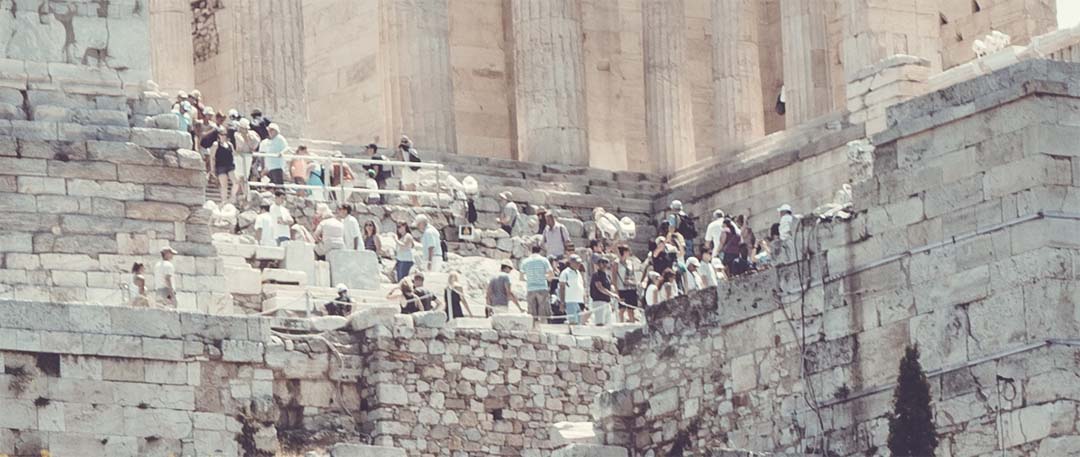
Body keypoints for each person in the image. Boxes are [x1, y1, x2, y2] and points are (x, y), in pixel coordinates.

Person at [519, 245, 554, 323]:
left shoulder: (525, 261)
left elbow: (521, 278)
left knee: (532, 313)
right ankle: (543, 328)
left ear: (531, 251)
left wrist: (529, 279)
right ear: (540, 251)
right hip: (542, 287)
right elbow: (551, 275)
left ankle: (534, 328)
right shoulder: (544, 260)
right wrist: (544, 277)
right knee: (543, 312)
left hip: (530, 288)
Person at [207, 127, 236, 204]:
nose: (224, 136)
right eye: (222, 134)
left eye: (225, 134)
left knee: (235, 182)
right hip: (221, 166)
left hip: (230, 165)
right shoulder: (216, 144)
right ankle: (224, 201)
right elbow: (212, 157)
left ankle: (232, 198)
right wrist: (212, 169)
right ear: (218, 135)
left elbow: (234, 155)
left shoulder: (230, 144)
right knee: (224, 185)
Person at [233, 118, 260, 200]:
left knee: (244, 178)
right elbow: (240, 145)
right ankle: (242, 195)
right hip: (239, 157)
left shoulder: (252, 135)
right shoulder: (237, 134)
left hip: (247, 157)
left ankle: (246, 196)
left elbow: (253, 146)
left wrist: (247, 137)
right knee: (239, 177)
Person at [589, 257, 619, 326]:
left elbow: (610, 287)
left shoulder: (607, 276)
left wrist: (615, 294)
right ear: (598, 264)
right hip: (599, 301)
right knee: (600, 323)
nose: (604, 264)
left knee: (608, 323)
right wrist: (611, 294)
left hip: (607, 302)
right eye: (602, 263)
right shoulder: (596, 275)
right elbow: (600, 287)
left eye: (606, 262)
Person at [558, 255, 587, 325]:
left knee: (579, 323)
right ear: (571, 262)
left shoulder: (578, 272)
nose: (579, 264)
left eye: (579, 263)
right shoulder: (565, 273)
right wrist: (562, 302)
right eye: (577, 263)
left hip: (579, 301)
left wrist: (584, 299)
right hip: (570, 301)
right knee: (573, 322)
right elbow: (562, 288)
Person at [613, 246, 638, 323]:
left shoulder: (630, 263)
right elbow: (614, 278)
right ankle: (621, 323)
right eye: (627, 251)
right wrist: (616, 291)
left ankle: (632, 324)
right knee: (622, 309)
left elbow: (633, 275)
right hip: (622, 288)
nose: (629, 253)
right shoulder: (616, 263)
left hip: (631, 288)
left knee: (631, 309)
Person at [396, 135, 421, 206]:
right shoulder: (413, 151)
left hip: (407, 171)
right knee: (413, 190)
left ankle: (416, 205)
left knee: (410, 191)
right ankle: (416, 205)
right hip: (415, 171)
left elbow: (402, 163)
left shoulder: (401, 151)